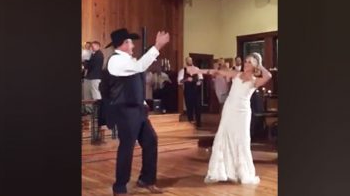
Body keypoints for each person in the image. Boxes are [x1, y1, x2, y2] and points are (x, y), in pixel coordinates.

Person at [187, 53, 272, 185]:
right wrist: (199, 71)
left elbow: (268, 76)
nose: (246, 63)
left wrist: (260, 64)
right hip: (230, 109)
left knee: (241, 140)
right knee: (223, 136)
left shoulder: (255, 80)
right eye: (246, 61)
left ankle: (240, 172)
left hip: (243, 112)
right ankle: (221, 171)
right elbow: (217, 72)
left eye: (250, 62)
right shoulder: (236, 74)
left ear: (255, 65)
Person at [103, 28, 170, 196]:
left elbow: (135, 80)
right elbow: (140, 66)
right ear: (124, 44)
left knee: (150, 140)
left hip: (138, 109)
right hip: (125, 111)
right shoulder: (115, 61)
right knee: (127, 146)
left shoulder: (129, 60)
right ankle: (119, 187)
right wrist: (157, 46)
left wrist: (142, 103)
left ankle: (146, 179)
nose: (133, 45)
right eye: (130, 42)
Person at [177, 57, 203, 127]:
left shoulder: (197, 69)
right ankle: (190, 122)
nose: (190, 61)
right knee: (189, 107)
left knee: (198, 106)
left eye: (190, 60)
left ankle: (198, 123)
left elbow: (201, 78)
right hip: (188, 91)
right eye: (188, 60)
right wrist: (186, 79)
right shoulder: (182, 70)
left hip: (196, 90)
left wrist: (199, 82)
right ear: (186, 62)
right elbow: (179, 81)